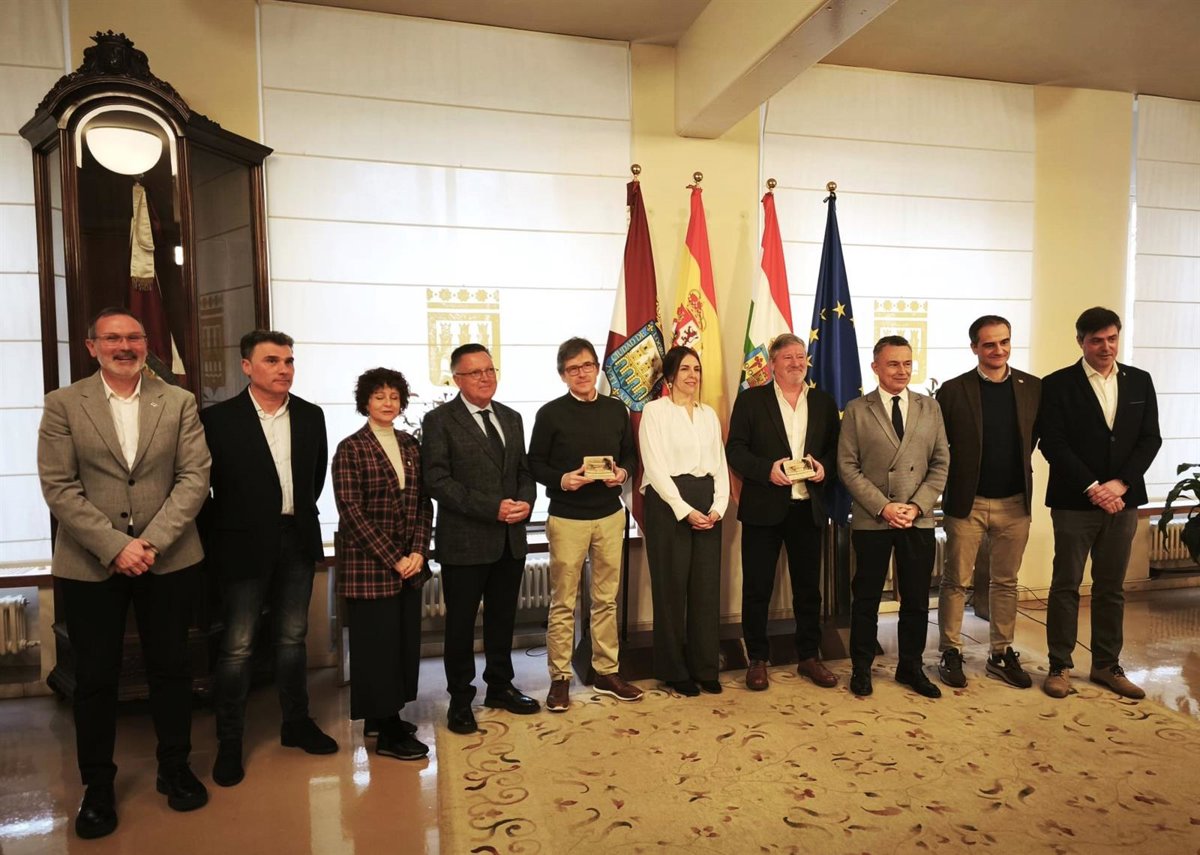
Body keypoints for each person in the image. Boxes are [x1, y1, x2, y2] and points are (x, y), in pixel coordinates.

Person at [37, 307, 211, 838]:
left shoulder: (178, 401)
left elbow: (194, 477)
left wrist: (150, 543)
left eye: (134, 337)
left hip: (168, 558)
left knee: (172, 669)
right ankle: (97, 787)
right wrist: (116, 547)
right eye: (112, 338)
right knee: (95, 678)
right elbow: (59, 486)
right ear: (92, 346)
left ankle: (174, 768)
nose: (125, 346)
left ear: (146, 344)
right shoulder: (64, 403)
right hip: (90, 562)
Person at [202, 330, 336, 788]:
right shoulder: (218, 419)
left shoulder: (311, 415)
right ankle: (230, 740)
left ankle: (296, 723)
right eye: (272, 360)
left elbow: (314, 480)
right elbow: (205, 488)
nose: (284, 369)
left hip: (296, 538)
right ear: (247, 366)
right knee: (238, 645)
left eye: (289, 361)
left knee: (292, 638)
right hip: (241, 544)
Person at [1037, 307, 1161, 700]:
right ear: (1081, 342)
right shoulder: (1057, 384)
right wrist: (1093, 487)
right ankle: (1059, 665)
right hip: (1074, 502)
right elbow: (1052, 442)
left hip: (1124, 501)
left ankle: (1107, 665)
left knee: (1111, 587)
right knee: (1066, 585)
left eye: (1111, 338)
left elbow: (1150, 438)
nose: (1105, 347)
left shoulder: (1140, 381)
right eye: (1096, 340)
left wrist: (1121, 484)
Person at [421, 343, 540, 734]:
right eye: (475, 372)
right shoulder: (440, 420)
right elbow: (437, 480)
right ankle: (460, 699)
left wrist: (525, 502)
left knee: (503, 619)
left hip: (510, 539)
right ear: (457, 378)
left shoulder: (511, 417)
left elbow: (524, 471)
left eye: (490, 370)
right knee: (460, 625)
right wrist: (493, 508)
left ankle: (500, 687)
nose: (486, 378)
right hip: (465, 541)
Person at [528, 337, 643, 712]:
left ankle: (606, 671)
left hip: (609, 515)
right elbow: (535, 463)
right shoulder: (550, 414)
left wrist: (622, 473)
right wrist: (563, 479)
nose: (581, 373)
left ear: (597, 368)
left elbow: (629, 455)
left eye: (587, 365)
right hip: (567, 517)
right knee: (564, 602)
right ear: (563, 375)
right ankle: (560, 678)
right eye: (573, 368)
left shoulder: (616, 409)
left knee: (606, 599)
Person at [726, 333, 840, 691]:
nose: (796, 362)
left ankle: (809, 656)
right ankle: (757, 660)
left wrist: (823, 467)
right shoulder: (751, 400)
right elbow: (735, 450)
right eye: (788, 357)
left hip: (808, 508)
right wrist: (766, 470)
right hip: (764, 508)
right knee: (757, 588)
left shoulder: (822, 402)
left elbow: (837, 449)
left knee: (808, 589)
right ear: (772, 363)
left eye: (800, 356)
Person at [838, 335, 949, 699]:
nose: (901, 371)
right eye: (893, 364)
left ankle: (910, 667)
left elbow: (941, 463)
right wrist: (884, 506)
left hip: (917, 518)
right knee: (866, 597)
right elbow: (847, 466)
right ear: (875, 367)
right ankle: (861, 667)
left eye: (907, 363)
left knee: (916, 598)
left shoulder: (930, 407)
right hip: (873, 518)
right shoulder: (857, 409)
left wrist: (916, 506)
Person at [332, 368, 434, 759]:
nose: (388, 403)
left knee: (402, 645)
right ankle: (388, 733)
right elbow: (351, 512)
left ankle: (382, 718)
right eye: (379, 396)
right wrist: (394, 558)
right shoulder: (351, 448)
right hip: (370, 567)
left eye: (394, 396)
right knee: (378, 649)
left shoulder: (410, 444)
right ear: (365, 402)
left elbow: (423, 502)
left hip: (410, 565)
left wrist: (419, 552)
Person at [935, 316, 1040, 689]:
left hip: (1015, 503)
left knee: (1006, 581)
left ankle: (1000, 652)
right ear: (974, 348)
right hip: (968, 502)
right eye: (990, 344)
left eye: (1004, 342)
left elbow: (1035, 438)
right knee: (955, 581)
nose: (999, 350)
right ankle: (950, 651)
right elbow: (939, 446)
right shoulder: (953, 390)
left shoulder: (1032, 388)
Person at [639, 345, 730, 696]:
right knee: (671, 589)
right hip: (668, 504)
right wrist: (683, 509)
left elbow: (719, 464)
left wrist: (718, 507)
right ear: (670, 375)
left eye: (697, 369)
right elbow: (655, 467)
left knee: (706, 589)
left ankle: (705, 668)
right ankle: (674, 670)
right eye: (686, 369)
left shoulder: (708, 415)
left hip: (707, 503)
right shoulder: (655, 412)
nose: (693, 375)